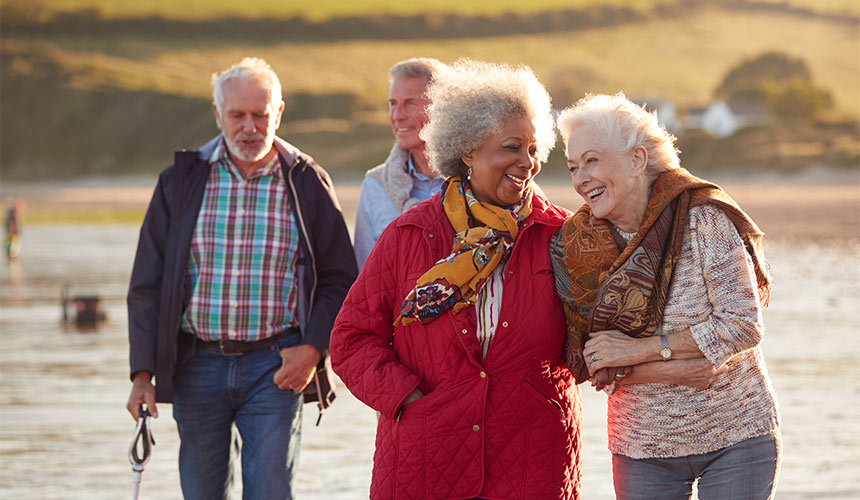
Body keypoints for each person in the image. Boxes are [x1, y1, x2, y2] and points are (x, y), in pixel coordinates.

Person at [330, 59, 582, 500]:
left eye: (533, 149)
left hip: (532, 459)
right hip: (425, 457)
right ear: (467, 151)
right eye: (511, 148)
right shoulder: (408, 234)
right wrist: (407, 398)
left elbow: (594, 341)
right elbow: (351, 339)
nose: (528, 163)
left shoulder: (560, 236)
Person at [125, 57, 357, 500]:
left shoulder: (308, 181)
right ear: (218, 114)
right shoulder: (180, 181)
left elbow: (339, 278)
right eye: (237, 115)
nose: (249, 127)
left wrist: (312, 349)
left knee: (270, 492)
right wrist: (142, 374)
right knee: (201, 493)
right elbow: (147, 285)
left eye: (260, 114)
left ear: (279, 113)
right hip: (196, 366)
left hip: (278, 366)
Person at [551, 93, 781, 499]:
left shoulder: (702, 218)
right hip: (641, 447)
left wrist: (636, 351)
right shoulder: (574, 244)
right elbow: (590, 360)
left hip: (736, 435)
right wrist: (679, 368)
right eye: (573, 166)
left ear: (638, 159)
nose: (581, 178)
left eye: (592, 160)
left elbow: (742, 325)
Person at [353, 57, 446, 269]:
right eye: (393, 104)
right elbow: (364, 280)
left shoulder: (480, 181)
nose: (397, 116)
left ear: (442, 108)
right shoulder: (374, 187)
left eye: (410, 103)